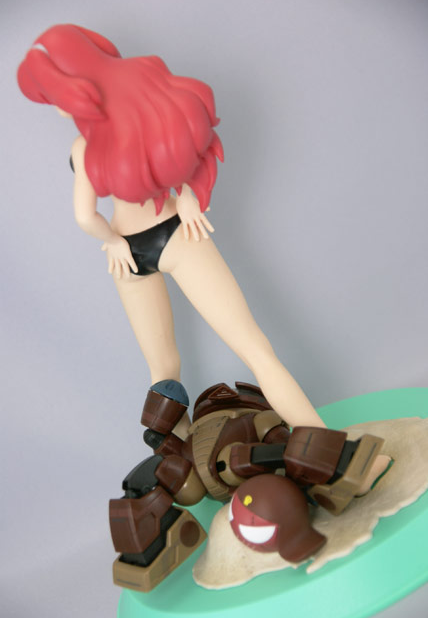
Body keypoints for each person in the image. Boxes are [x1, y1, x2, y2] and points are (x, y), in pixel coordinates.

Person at [17, 24, 389, 483]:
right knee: (256, 351)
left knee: (163, 367)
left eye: (53, 96)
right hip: (176, 234)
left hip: (128, 255)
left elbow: (84, 216)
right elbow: (193, 146)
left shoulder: (85, 147)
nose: (56, 108)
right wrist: (190, 196)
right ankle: (338, 462)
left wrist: (112, 241)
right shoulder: (147, 106)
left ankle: (183, 465)